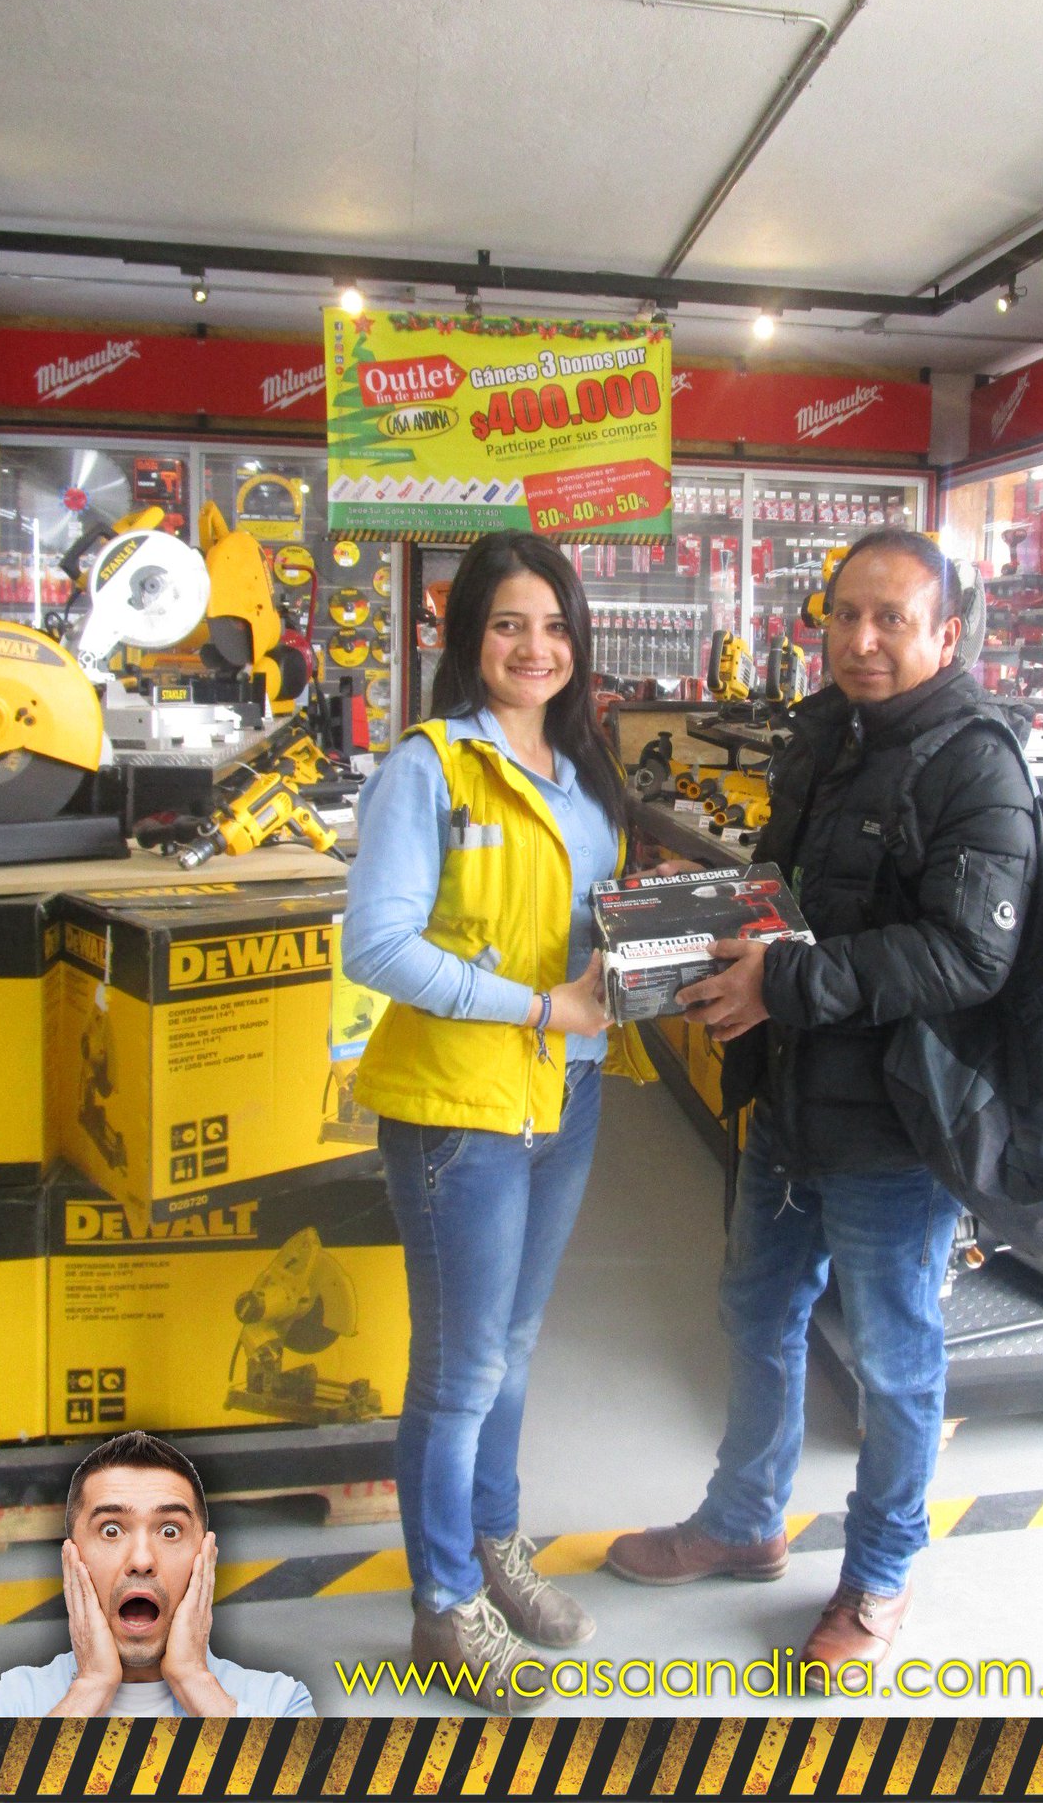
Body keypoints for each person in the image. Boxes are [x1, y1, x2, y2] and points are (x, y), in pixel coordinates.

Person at [606, 527, 1036, 1684]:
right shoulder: (822, 731)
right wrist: (699, 921)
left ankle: (881, 1572)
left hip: (894, 1119)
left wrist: (784, 981)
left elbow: (968, 955)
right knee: (756, 1311)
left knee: (894, 1358)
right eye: (846, 613)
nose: (863, 638)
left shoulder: (977, 763)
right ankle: (744, 1518)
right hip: (789, 1092)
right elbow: (782, 896)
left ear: (948, 633)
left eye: (893, 617)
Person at [342, 530, 655, 1712]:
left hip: (567, 1088)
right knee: (461, 1363)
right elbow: (377, 945)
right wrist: (538, 1003)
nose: (536, 647)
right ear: (466, 634)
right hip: (460, 1106)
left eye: (557, 626)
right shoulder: (428, 767)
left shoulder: (583, 773)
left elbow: (590, 927)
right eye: (510, 623)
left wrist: (657, 959)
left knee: (515, 1345)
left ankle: (493, 1544)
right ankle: (442, 1600)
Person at [0, 1431, 313, 1717]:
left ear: (205, 1558)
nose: (142, 1560)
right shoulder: (5, 1703)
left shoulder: (280, 1702)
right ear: (72, 1558)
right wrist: (90, 1688)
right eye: (111, 1530)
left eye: (170, 1531)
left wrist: (194, 1681)